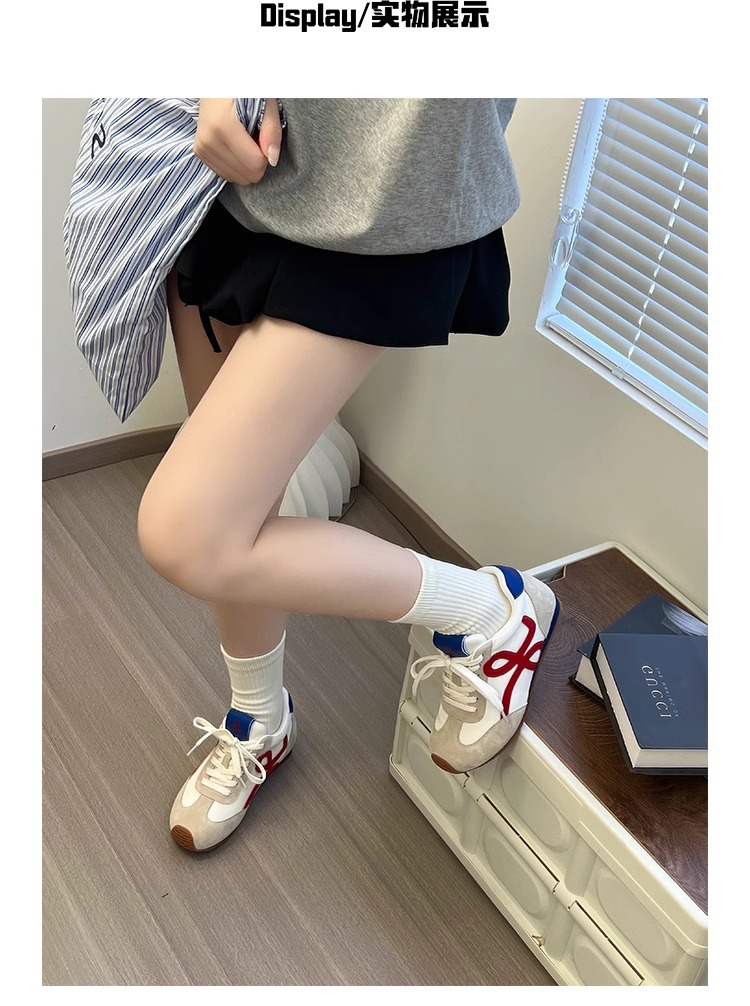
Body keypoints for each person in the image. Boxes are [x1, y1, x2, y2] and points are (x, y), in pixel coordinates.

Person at [136, 98, 560, 854]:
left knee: (190, 533)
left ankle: (493, 609)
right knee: (242, 511)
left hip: (380, 193)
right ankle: (259, 720)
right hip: (227, 171)